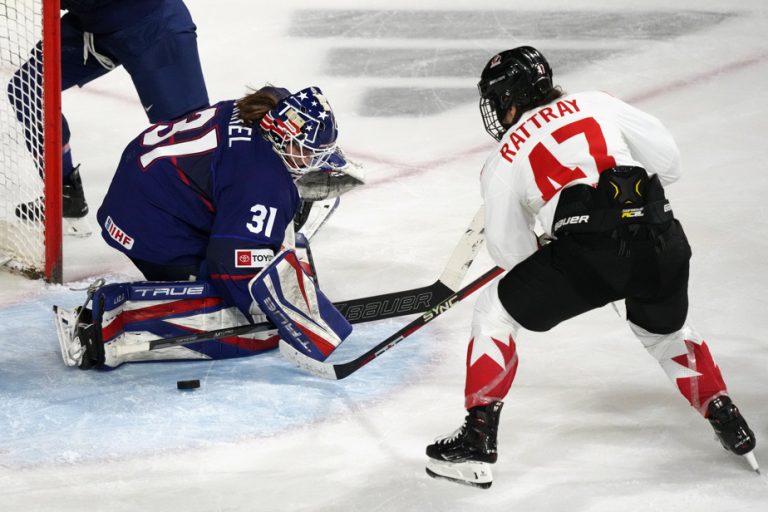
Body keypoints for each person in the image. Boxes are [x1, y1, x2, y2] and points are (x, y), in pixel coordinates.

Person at [424, 46, 759, 488]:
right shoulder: (597, 102)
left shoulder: (504, 157)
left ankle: (476, 439)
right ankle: (726, 416)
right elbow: (669, 165)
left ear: (510, 98)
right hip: (665, 241)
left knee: (495, 310)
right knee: (665, 332)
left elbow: (512, 255)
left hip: (588, 256)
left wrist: (555, 241)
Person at [53, 85, 353, 370]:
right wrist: (276, 314)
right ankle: (106, 323)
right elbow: (231, 265)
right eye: (308, 150)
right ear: (283, 139)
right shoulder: (261, 179)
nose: (316, 158)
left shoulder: (269, 108)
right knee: (243, 321)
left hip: (144, 189)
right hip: (147, 225)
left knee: (285, 218)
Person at [8, 0, 209, 232]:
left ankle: (216, 222)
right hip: (92, 28)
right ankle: (66, 195)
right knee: (29, 89)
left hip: (152, 26)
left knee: (188, 132)